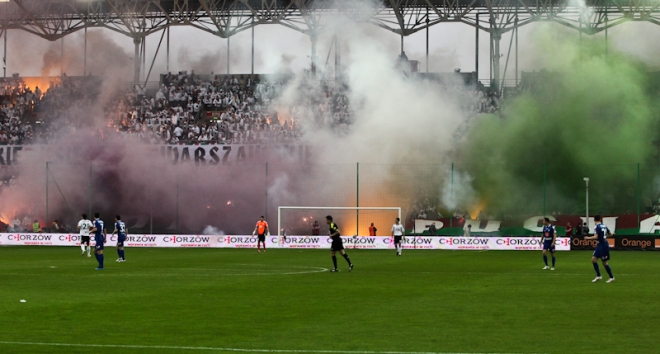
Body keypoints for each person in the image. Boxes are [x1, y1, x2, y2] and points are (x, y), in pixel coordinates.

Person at [584, 215, 615, 283]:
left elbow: (596, 236)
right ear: (600, 219)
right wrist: (604, 237)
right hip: (600, 245)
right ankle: (598, 276)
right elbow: (611, 234)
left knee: (604, 263)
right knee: (593, 260)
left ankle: (611, 277)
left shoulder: (597, 227)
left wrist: (587, 238)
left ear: (594, 220)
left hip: (603, 246)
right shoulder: (604, 226)